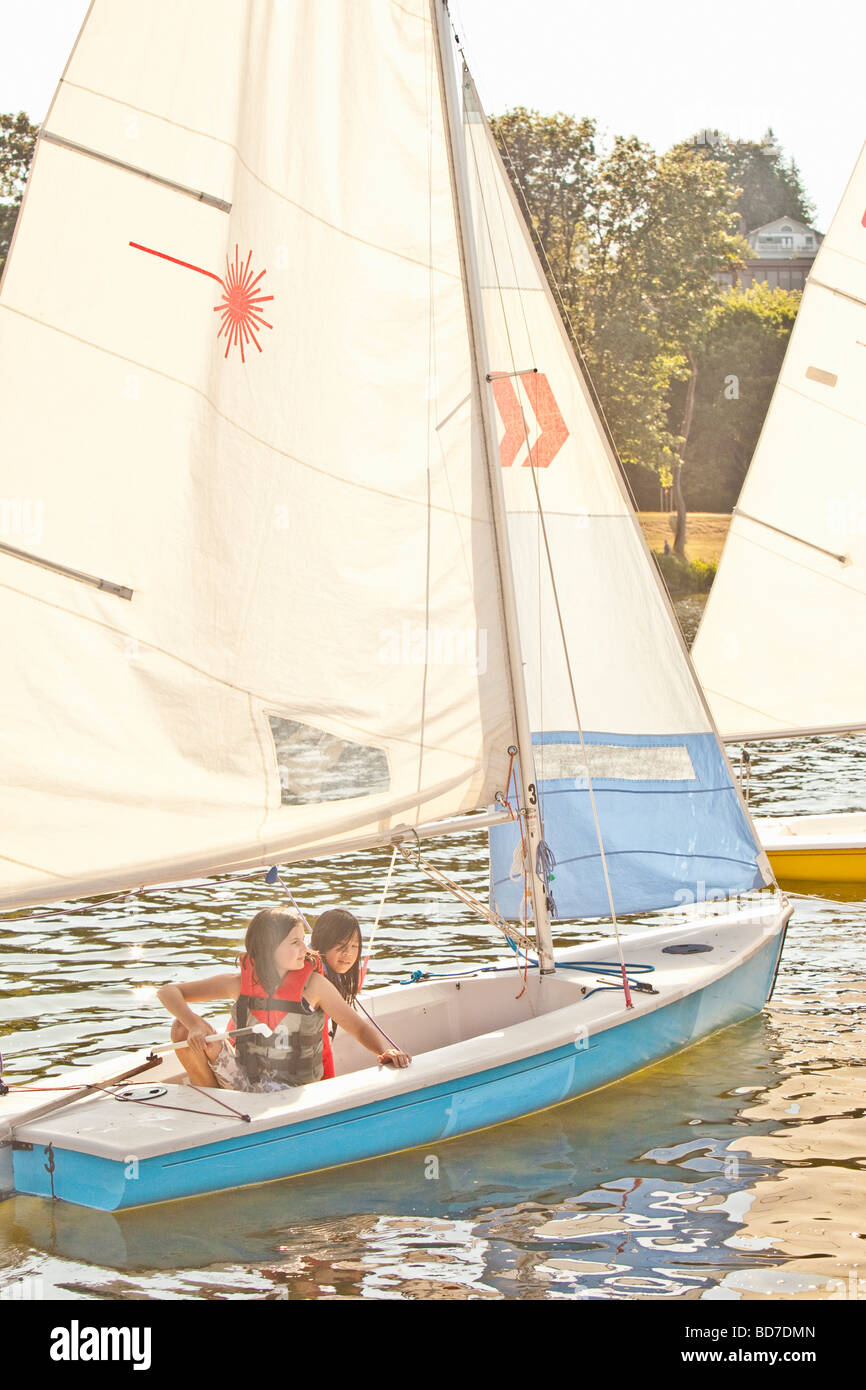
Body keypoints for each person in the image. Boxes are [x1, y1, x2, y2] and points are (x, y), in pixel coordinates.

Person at [157, 907, 410, 1092]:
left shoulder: (315, 986)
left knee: (188, 1028)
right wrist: (196, 1023)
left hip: (293, 1089)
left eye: (303, 941)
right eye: (296, 942)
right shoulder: (237, 983)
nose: (306, 949)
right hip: (246, 1083)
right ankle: (218, 1104)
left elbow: (358, 1026)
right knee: (182, 1027)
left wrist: (384, 1050)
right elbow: (167, 992)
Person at [310, 907, 363, 1079]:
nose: (348, 953)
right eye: (341, 946)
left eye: (354, 946)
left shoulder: (329, 972)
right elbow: (356, 1027)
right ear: (323, 943)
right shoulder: (315, 977)